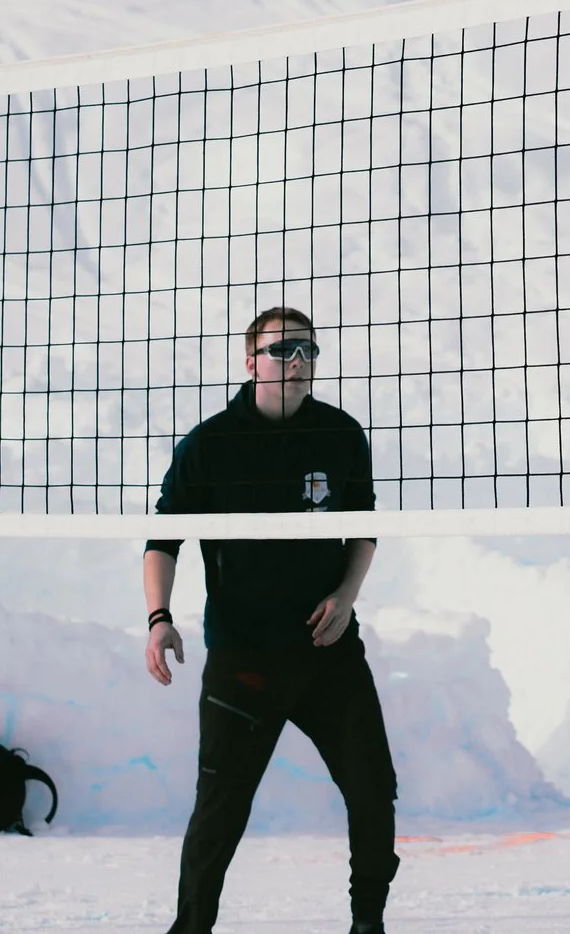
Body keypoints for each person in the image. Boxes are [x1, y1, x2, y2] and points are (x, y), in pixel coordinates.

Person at [144, 308, 395, 934]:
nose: (297, 362)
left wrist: (346, 596)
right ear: (250, 361)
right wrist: (159, 617)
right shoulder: (211, 444)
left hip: (326, 650)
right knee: (220, 811)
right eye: (282, 351)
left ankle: (369, 924)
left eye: (307, 350)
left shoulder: (339, 434)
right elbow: (163, 538)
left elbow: (362, 527)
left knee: (373, 791)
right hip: (245, 658)